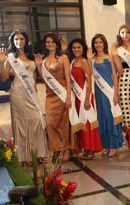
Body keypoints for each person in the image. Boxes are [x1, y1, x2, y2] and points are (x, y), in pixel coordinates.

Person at [0, 29, 48, 163]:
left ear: (26, 40)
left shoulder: (31, 57)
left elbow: (40, 77)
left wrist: (39, 65)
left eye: (21, 39)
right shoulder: (10, 58)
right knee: (21, 124)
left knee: (37, 120)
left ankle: (39, 154)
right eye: (16, 39)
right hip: (18, 93)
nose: (19, 42)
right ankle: (23, 157)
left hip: (31, 93)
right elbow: (3, 78)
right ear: (12, 42)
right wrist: (2, 62)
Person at [35, 33, 74, 162]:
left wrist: (68, 97)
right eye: (47, 42)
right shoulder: (44, 60)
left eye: (52, 42)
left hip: (62, 95)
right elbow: (43, 79)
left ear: (56, 43)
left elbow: (68, 79)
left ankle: (66, 149)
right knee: (51, 124)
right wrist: (39, 66)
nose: (50, 44)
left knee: (63, 124)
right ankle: (56, 148)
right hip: (50, 97)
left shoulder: (63, 58)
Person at [67, 38, 103, 160]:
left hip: (85, 96)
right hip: (77, 97)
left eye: (79, 47)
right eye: (74, 47)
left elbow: (89, 81)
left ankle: (91, 149)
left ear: (83, 49)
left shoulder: (84, 61)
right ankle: (85, 148)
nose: (76, 49)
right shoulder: (71, 62)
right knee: (82, 123)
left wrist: (87, 98)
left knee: (88, 122)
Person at [91, 34, 123, 157]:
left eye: (100, 42)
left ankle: (113, 145)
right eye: (96, 43)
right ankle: (106, 145)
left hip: (109, 91)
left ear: (104, 43)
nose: (98, 45)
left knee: (110, 117)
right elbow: (89, 74)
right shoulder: (92, 59)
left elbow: (115, 76)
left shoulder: (110, 58)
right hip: (99, 92)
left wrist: (116, 93)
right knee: (102, 118)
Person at [113, 24, 130, 155]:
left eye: (128, 32)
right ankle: (129, 143)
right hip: (124, 81)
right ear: (119, 34)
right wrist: (116, 56)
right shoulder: (117, 49)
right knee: (126, 112)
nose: (125, 34)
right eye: (123, 32)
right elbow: (119, 70)